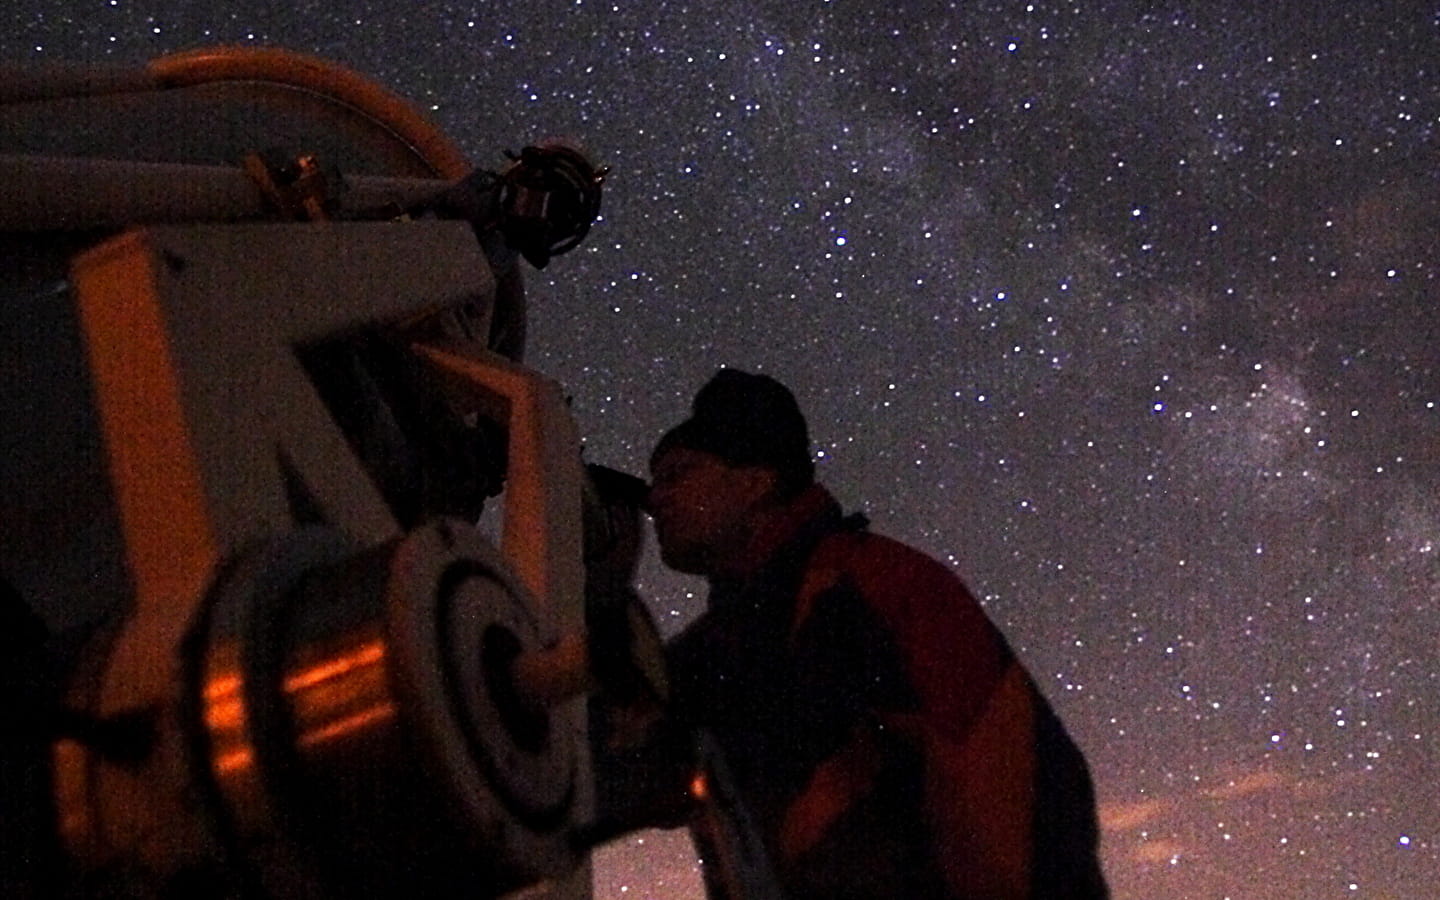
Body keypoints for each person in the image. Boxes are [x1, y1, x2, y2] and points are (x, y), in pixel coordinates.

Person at [614, 368, 1108, 899]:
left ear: (755, 482)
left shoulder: (879, 587)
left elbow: (1012, 780)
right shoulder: (715, 649)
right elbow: (620, 767)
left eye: (677, 474)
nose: (655, 499)